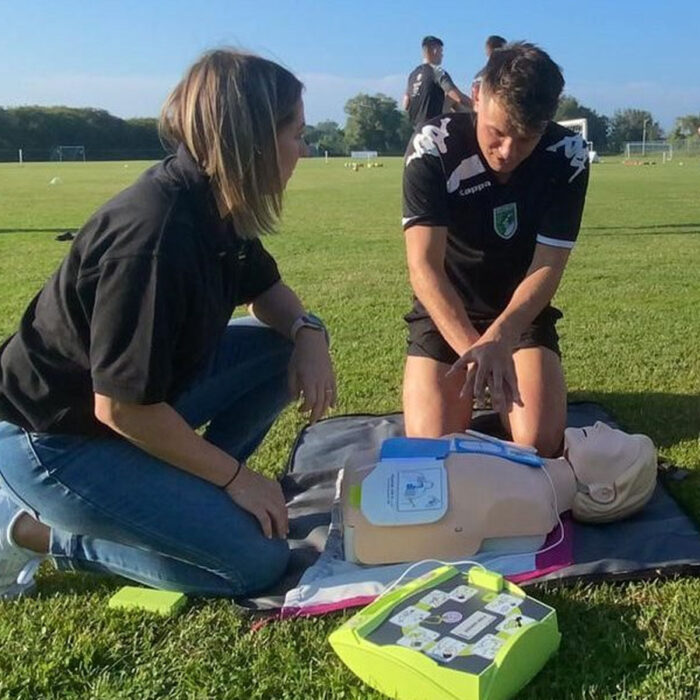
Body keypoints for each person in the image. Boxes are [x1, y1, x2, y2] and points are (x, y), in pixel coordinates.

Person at [0, 50, 336, 599]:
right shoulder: (156, 239)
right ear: (251, 138)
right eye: (295, 133)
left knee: (277, 348)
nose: (304, 149)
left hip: (124, 413)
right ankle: (31, 532)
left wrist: (308, 332)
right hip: (56, 443)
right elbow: (122, 406)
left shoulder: (216, 204)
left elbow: (268, 293)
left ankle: (199, 493)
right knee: (256, 562)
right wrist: (236, 479)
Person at [401, 42, 590, 456]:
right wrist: (477, 351)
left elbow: (547, 266)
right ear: (476, 96)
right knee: (434, 448)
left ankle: (522, 372)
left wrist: (502, 336)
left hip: (519, 314)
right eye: (497, 132)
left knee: (539, 444)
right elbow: (424, 268)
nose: (507, 152)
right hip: (448, 310)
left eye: (525, 139)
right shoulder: (434, 144)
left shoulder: (568, 156)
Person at [342, 423, 657, 565]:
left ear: (603, 494)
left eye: (618, 439)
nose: (603, 424)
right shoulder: (530, 462)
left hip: (365, 521)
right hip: (370, 478)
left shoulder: (535, 506)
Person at [403, 36, 472, 129]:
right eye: (441, 52)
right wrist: (477, 106)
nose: (442, 55)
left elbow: (406, 105)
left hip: (416, 127)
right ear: (435, 50)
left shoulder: (412, 75)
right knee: (451, 98)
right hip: (433, 125)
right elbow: (457, 96)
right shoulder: (437, 71)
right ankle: (475, 121)